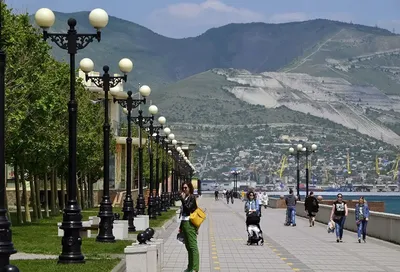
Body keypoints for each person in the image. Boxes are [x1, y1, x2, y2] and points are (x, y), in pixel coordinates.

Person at [179, 182, 199, 272]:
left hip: (190, 224)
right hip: (184, 223)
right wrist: (180, 226)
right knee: (188, 247)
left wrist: (182, 200)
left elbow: (188, 209)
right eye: (183, 188)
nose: (184, 189)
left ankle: (195, 268)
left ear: (190, 188)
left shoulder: (192, 198)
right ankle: (190, 267)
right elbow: (183, 214)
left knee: (193, 246)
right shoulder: (186, 198)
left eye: (186, 188)